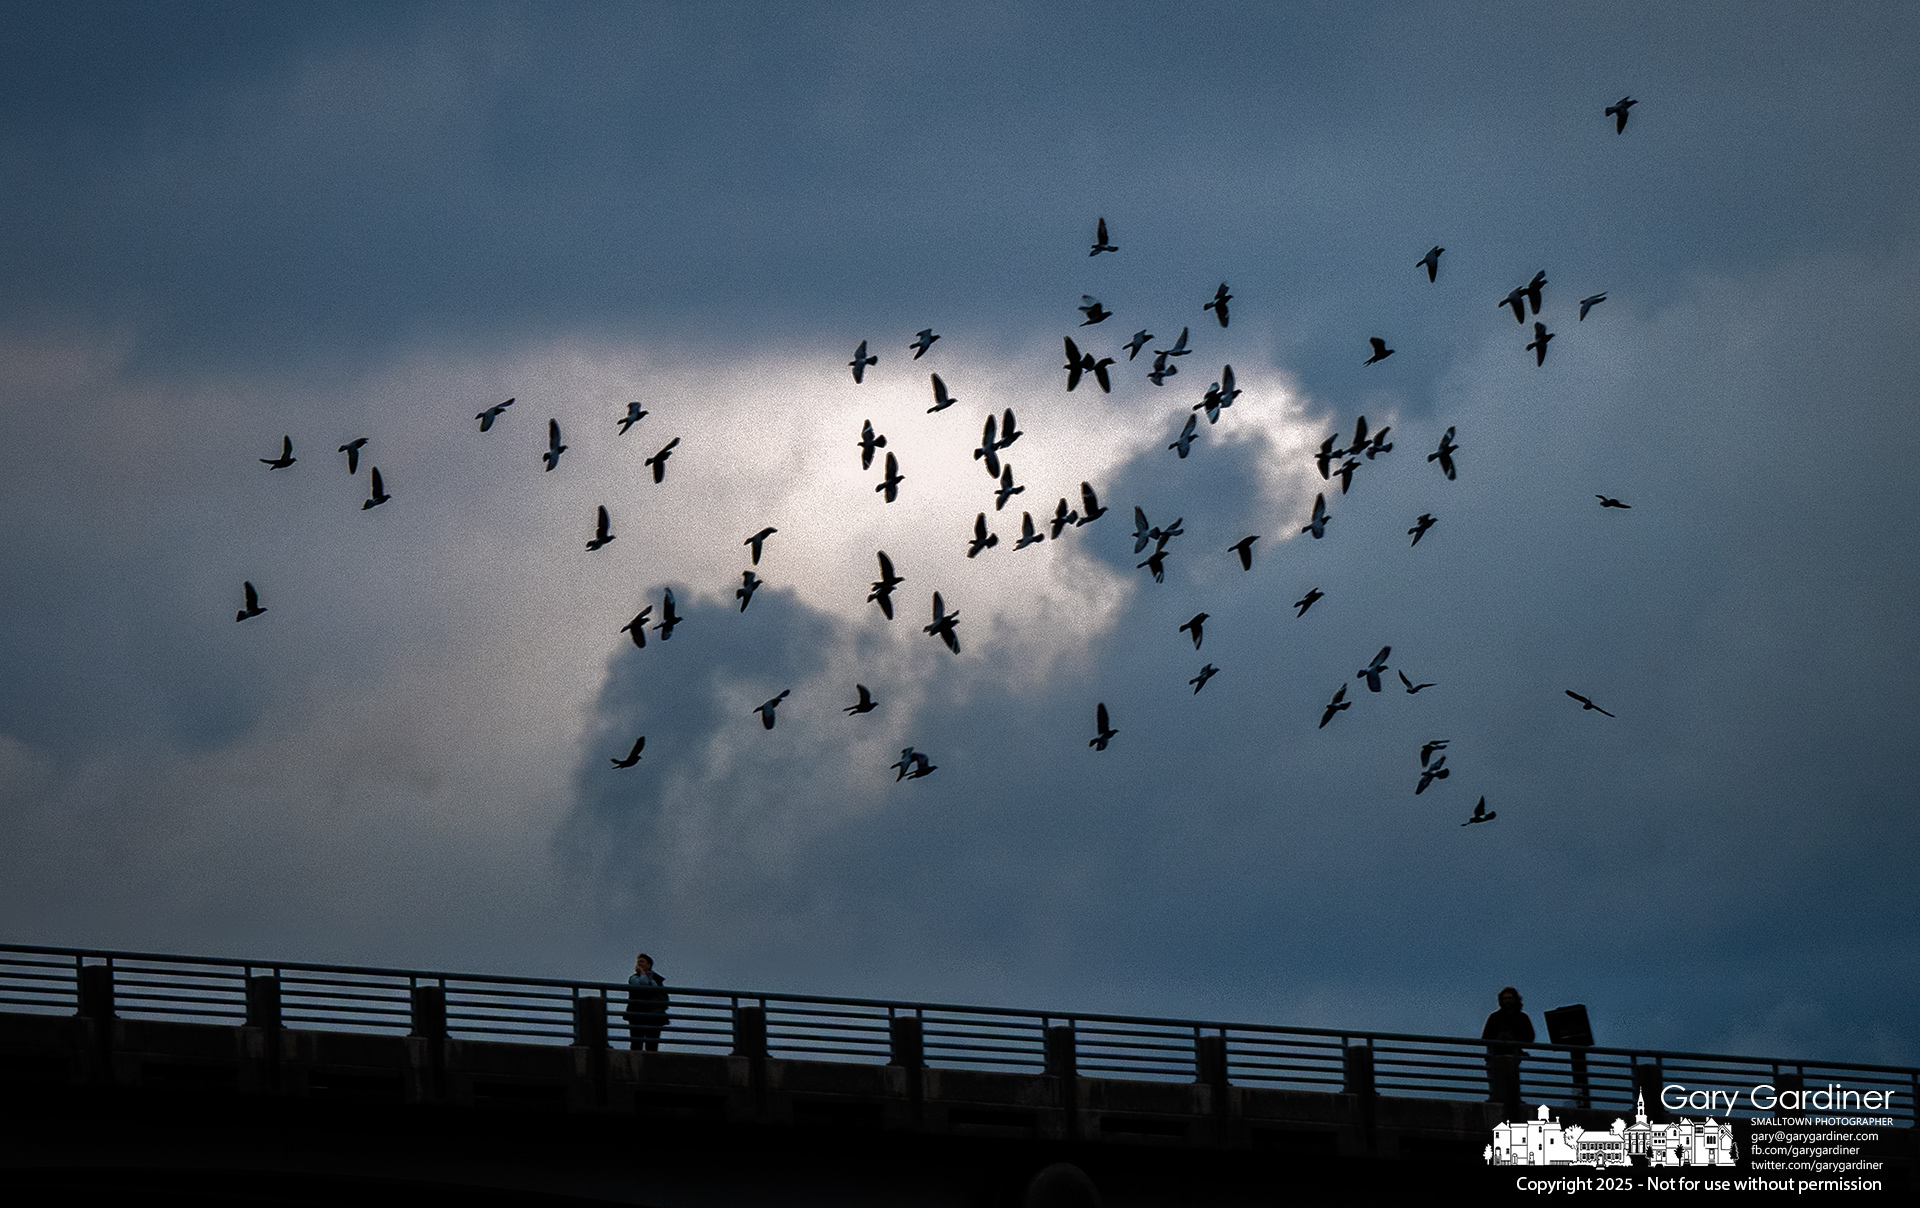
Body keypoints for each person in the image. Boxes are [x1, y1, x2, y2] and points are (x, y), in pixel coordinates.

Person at [1482, 986, 1534, 1115]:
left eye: (1510, 998)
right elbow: (1485, 1037)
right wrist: (1498, 1038)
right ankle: (1495, 1097)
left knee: (1511, 1078)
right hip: (1495, 1054)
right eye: (1505, 998)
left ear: (1516, 999)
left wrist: (1514, 1040)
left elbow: (1530, 1037)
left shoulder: (1522, 1017)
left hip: (1513, 1055)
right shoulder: (1494, 1017)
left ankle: (1514, 1098)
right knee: (1495, 1079)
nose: (1507, 1001)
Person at [624, 953, 669, 1051]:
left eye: (642, 961)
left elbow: (653, 988)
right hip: (637, 1014)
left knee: (652, 1044)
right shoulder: (634, 978)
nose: (639, 964)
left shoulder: (657, 979)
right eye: (638, 962)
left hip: (654, 1015)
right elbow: (643, 986)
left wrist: (643, 975)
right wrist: (642, 974)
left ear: (649, 965)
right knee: (636, 1043)